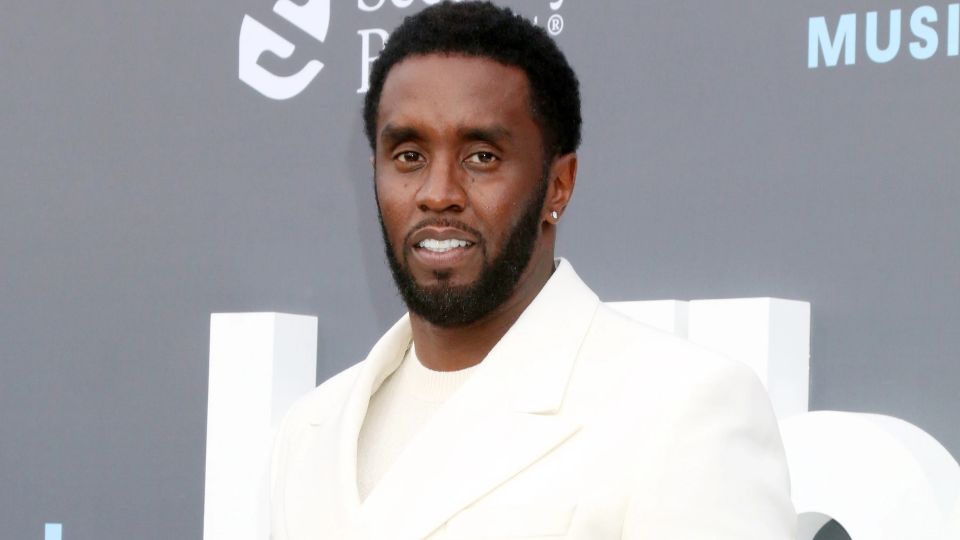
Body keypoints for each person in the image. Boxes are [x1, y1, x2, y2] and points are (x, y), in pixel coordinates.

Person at [270, 2, 796, 538]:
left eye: (481, 157)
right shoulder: (311, 429)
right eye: (409, 156)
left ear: (558, 186)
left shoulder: (683, 409)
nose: (438, 193)